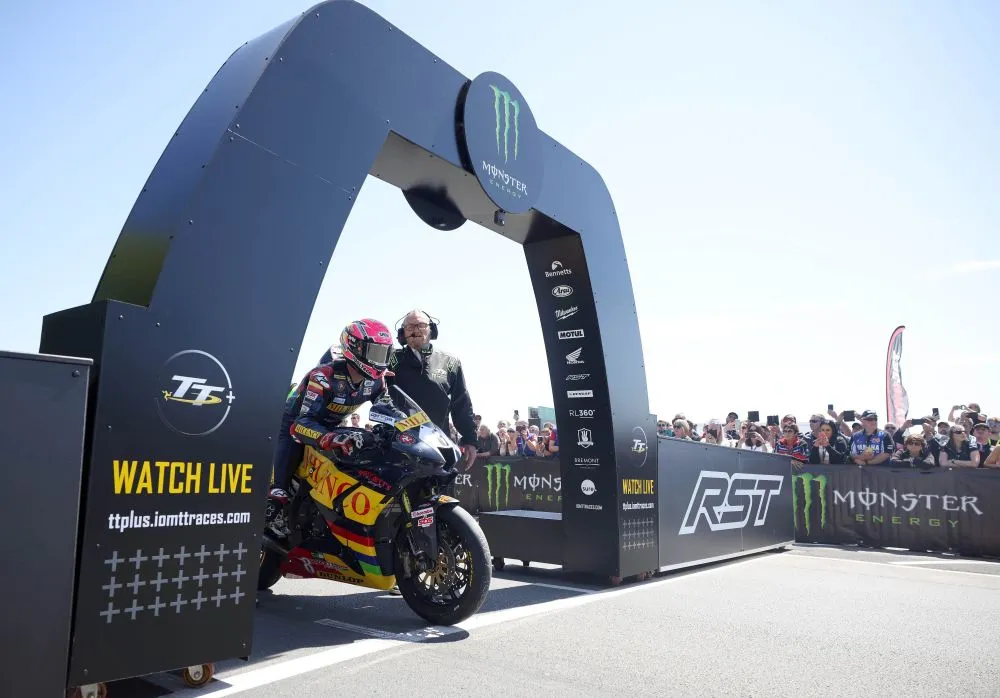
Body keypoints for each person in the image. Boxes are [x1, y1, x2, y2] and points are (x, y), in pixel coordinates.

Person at [267, 318, 395, 537]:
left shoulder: (377, 381)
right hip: (294, 424)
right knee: (279, 491)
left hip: (331, 426)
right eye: (374, 353)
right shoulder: (323, 377)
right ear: (354, 348)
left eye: (384, 354)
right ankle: (272, 512)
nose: (379, 361)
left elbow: (389, 411)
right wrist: (329, 438)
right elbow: (299, 425)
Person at [386, 310, 478, 469]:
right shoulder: (391, 359)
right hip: (398, 446)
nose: (415, 330)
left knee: (438, 493)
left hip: (438, 448)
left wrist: (470, 440)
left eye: (421, 325)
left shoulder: (450, 362)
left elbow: (461, 403)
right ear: (402, 333)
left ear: (432, 330)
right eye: (410, 327)